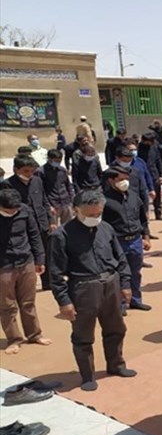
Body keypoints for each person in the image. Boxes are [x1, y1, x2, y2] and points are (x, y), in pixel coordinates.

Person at [49, 189, 136, 391]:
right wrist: (64, 301)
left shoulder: (106, 228)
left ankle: (116, 365)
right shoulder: (61, 235)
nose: (95, 218)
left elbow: (120, 258)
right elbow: (56, 273)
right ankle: (87, 376)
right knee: (83, 335)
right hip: (83, 288)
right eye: (90, 215)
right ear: (76, 210)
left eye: (98, 213)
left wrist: (125, 284)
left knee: (116, 328)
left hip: (110, 284)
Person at [0, 189, 51, 354]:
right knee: (7, 305)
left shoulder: (24, 210)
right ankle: (14, 339)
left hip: (26, 261)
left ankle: (35, 335)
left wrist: (40, 259)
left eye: (14, 210)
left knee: (28, 302)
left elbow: (34, 235)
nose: (12, 213)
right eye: (8, 211)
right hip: (3, 266)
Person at [102, 165, 151, 313]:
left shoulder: (133, 197)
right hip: (117, 242)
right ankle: (120, 304)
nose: (125, 182)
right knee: (118, 274)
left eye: (127, 179)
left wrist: (146, 236)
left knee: (135, 272)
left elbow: (142, 219)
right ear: (111, 181)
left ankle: (135, 300)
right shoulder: (104, 200)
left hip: (135, 241)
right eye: (121, 179)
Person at [1, 155, 56, 290]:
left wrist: (51, 220)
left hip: (41, 224)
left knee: (44, 254)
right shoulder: (7, 184)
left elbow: (44, 201)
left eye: (32, 171)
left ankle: (47, 284)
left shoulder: (37, 181)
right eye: (26, 171)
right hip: (23, 227)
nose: (29, 174)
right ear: (16, 169)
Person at [38, 149, 74, 226]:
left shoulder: (62, 170)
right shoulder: (41, 172)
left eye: (59, 160)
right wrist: (48, 206)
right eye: (56, 160)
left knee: (68, 226)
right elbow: (41, 190)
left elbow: (68, 185)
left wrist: (71, 200)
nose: (58, 162)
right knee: (53, 227)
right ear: (49, 159)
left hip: (66, 202)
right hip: (52, 204)